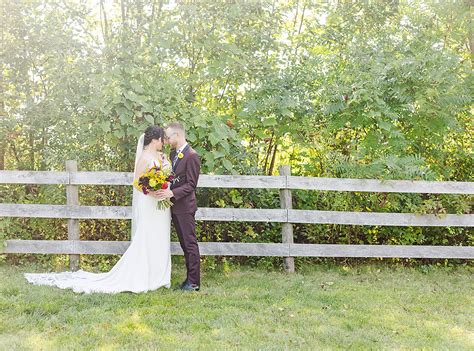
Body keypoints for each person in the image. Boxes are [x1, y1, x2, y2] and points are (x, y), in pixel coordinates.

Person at [23, 125, 172, 294]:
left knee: (158, 235)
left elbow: (166, 174)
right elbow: (137, 183)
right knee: (147, 235)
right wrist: (151, 192)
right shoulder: (145, 157)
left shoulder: (160, 155)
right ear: (155, 139)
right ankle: (143, 275)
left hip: (161, 204)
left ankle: (158, 274)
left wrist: (164, 172)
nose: (163, 142)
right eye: (162, 139)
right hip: (149, 202)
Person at [152, 122, 201, 292]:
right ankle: (189, 279)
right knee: (183, 244)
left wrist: (171, 194)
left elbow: (191, 185)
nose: (167, 139)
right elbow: (173, 177)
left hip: (186, 207)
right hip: (174, 207)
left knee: (189, 244)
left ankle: (194, 282)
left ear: (178, 136)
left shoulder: (192, 155)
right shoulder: (173, 153)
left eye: (169, 136)